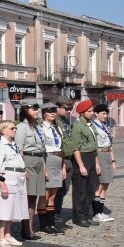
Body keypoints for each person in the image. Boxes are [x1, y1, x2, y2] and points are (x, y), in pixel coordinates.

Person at [0, 120, 25, 247]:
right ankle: (1, 236)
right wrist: (2, 185)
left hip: (17, 179)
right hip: (6, 179)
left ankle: (8, 235)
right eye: (11, 128)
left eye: (15, 128)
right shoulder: (0, 146)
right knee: (4, 209)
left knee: (12, 209)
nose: (14, 130)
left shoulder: (13, 144)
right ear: (3, 130)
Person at [14, 99, 46, 241]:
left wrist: (44, 167)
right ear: (25, 110)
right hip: (28, 160)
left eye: (37, 109)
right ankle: (27, 229)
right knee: (29, 197)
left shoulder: (37, 126)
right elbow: (18, 149)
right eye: (33, 109)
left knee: (35, 196)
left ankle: (30, 227)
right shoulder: (22, 127)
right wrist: (22, 167)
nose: (36, 111)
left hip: (39, 160)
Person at [69, 99, 101, 227]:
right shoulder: (77, 126)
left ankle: (87, 215)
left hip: (92, 157)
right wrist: (81, 165)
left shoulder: (91, 125)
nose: (92, 113)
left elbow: (95, 147)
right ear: (82, 113)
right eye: (89, 111)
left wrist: (97, 163)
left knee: (91, 189)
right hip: (82, 157)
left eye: (92, 111)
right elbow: (75, 148)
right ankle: (79, 217)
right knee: (80, 190)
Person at [40, 104, 67, 234]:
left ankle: (51, 223)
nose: (52, 113)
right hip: (48, 159)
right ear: (44, 113)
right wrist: (44, 168)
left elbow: (62, 148)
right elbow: (41, 149)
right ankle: (43, 224)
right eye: (49, 111)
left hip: (58, 159)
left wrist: (63, 166)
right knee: (45, 195)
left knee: (53, 196)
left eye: (54, 111)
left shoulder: (57, 128)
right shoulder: (41, 128)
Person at [91, 104, 116, 222]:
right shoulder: (93, 127)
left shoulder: (105, 126)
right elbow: (94, 146)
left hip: (107, 155)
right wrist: (96, 162)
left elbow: (110, 145)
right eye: (103, 114)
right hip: (99, 154)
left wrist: (113, 160)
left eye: (106, 114)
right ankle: (96, 212)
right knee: (99, 185)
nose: (105, 116)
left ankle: (101, 211)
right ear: (96, 114)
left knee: (106, 184)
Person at [54, 97, 74, 229]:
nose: (68, 111)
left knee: (64, 189)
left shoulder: (66, 121)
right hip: (60, 159)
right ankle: (55, 217)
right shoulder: (54, 121)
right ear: (58, 107)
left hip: (69, 159)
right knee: (57, 190)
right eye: (66, 108)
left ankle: (57, 214)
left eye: (70, 109)